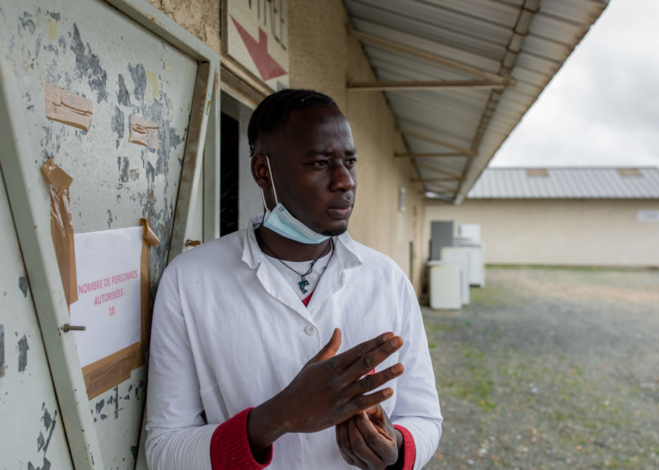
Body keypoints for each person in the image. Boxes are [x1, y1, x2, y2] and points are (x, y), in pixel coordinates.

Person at [145, 89, 442, 470]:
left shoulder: (386, 279)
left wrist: (396, 448)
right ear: (262, 171)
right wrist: (277, 417)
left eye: (349, 162)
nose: (345, 181)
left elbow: (425, 418)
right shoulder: (190, 281)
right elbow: (165, 450)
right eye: (320, 163)